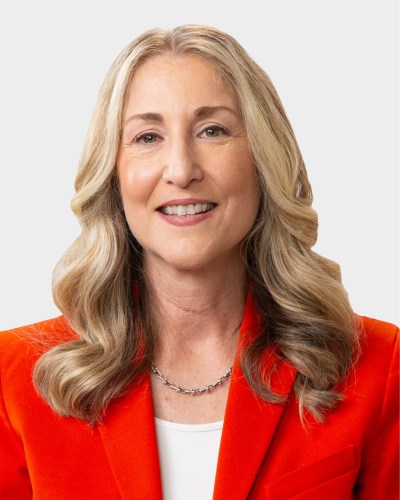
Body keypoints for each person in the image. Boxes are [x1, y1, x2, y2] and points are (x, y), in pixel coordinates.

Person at [0, 24, 398, 500]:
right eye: (148, 136)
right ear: (114, 172)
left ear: (263, 157)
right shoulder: (16, 377)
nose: (182, 170)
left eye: (213, 130)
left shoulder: (378, 365)